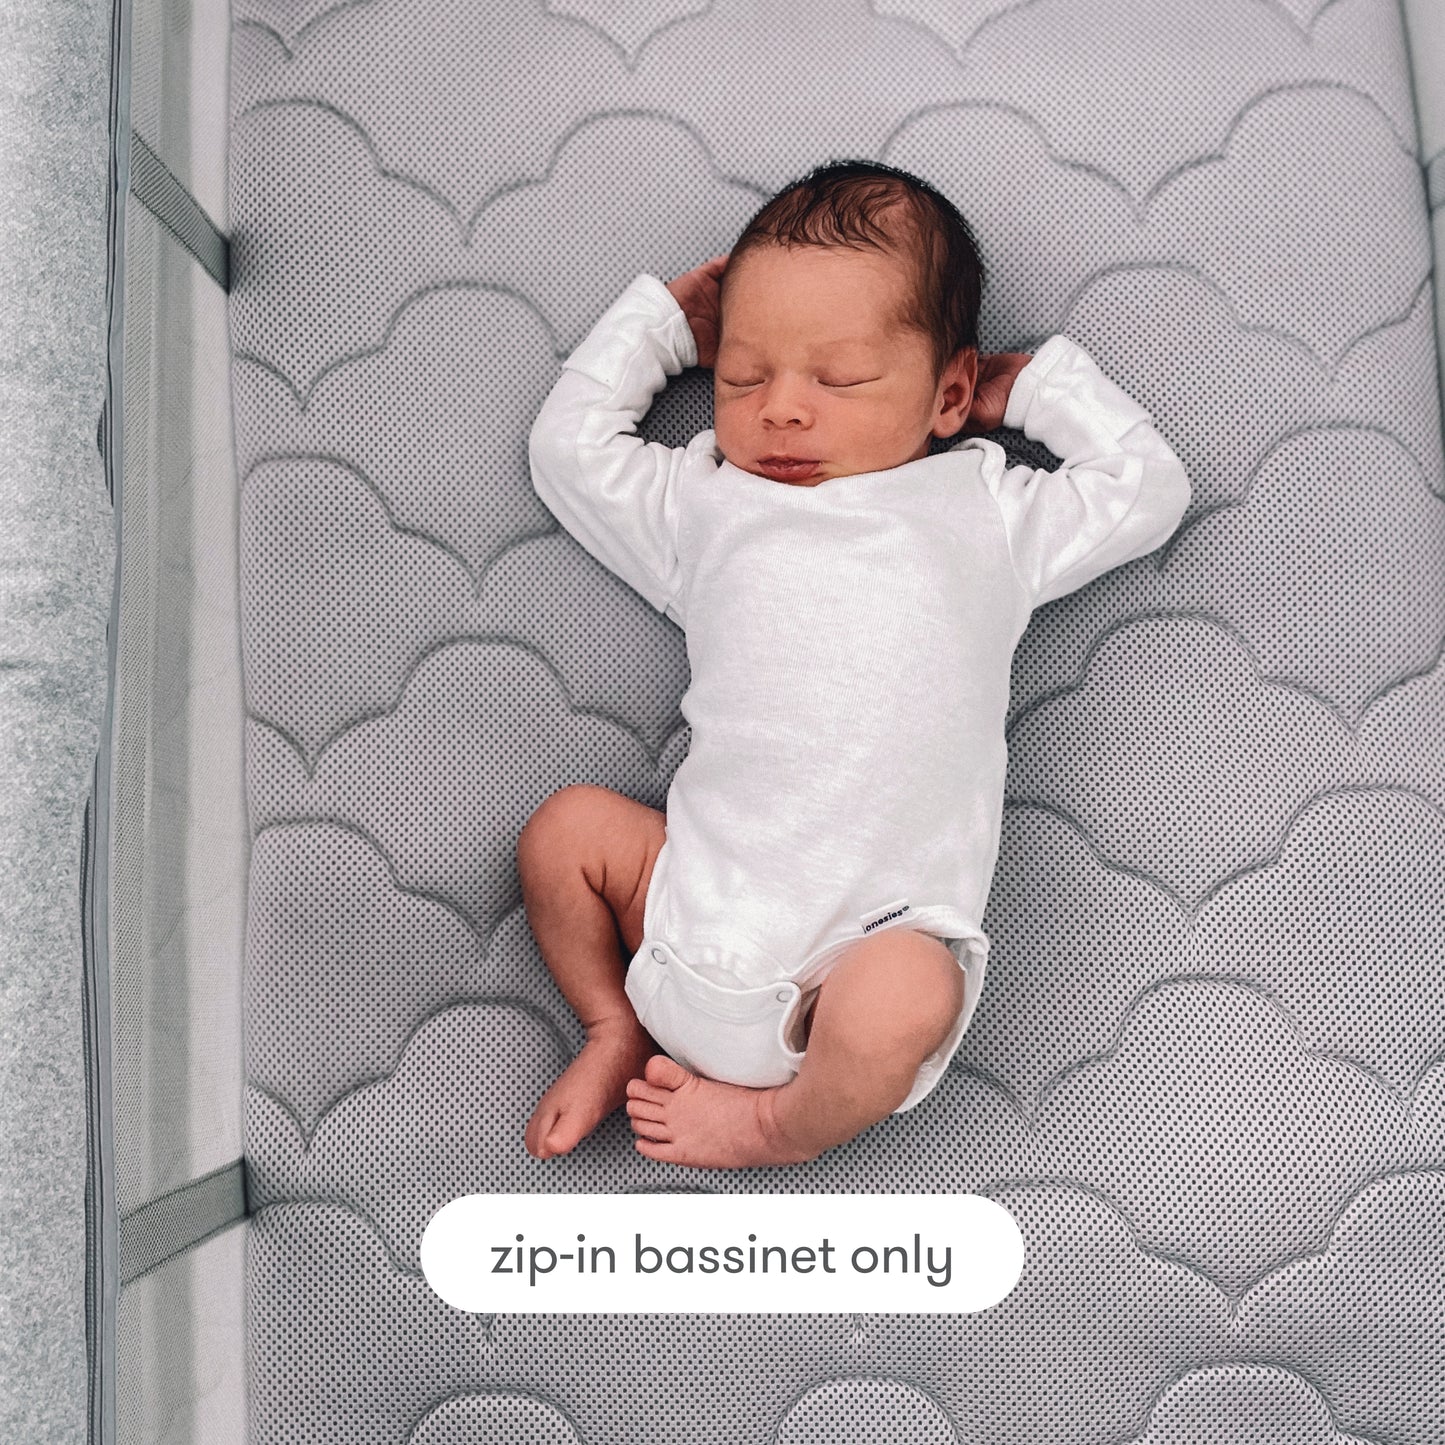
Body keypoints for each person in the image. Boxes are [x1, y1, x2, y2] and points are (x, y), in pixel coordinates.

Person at [519, 159, 1190, 1170]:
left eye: (836, 378)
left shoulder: (986, 513)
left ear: (946, 390)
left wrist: (1033, 388)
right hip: (684, 906)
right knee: (565, 831)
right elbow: (567, 450)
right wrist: (661, 329)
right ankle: (611, 1025)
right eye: (742, 375)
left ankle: (774, 1127)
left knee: (910, 989)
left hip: (853, 968)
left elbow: (1146, 487)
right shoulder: (704, 504)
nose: (780, 407)